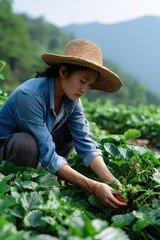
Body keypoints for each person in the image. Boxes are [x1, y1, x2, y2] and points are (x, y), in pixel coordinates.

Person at [0, 38, 126, 208]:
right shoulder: (29, 96)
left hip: (39, 153)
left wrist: (111, 180)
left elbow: (86, 144)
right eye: (82, 81)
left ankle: (47, 180)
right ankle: (18, 192)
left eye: (89, 84)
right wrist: (94, 186)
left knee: (70, 133)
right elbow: (48, 152)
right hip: (8, 155)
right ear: (64, 72)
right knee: (26, 142)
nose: (84, 89)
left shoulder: (72, 100)